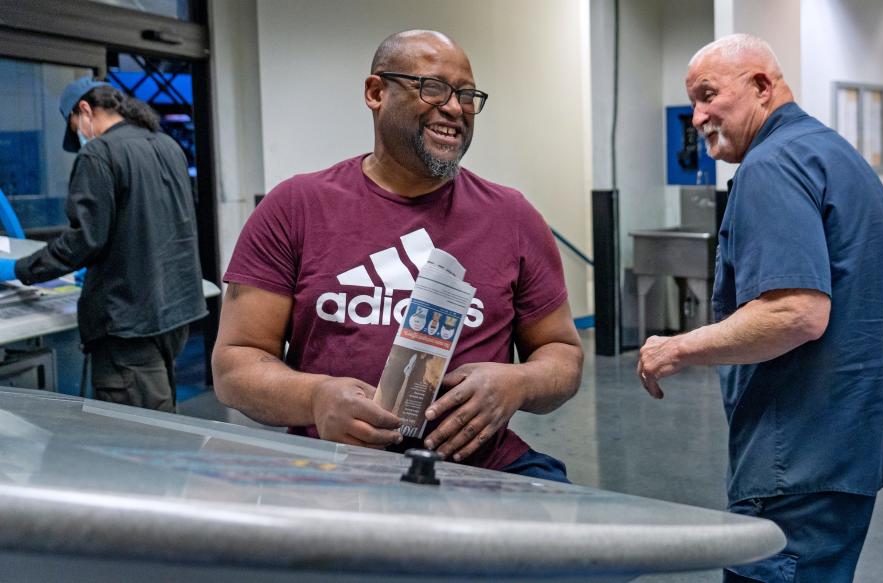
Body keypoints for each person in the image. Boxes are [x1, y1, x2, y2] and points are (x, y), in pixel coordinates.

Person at [213, 30, 583, 482]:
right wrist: (316, 398)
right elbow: (235, 364)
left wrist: (519, 383)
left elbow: (562, 353)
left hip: (480, 470)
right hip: (333, 469)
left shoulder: (513, 217)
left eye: (467, 95)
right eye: (433, 88)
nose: (454, 108)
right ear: (376, 93)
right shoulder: (296, 207)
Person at [636, 34, 883, 582]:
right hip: (850, 441)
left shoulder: (772, 165)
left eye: (708, 94)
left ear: (762, 86)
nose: (696, 117)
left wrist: (675, 347)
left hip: (799, 457)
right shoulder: (834, 154)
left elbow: (795, 312)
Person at [0, 77, 207, 412]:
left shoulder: (100, 154)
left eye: (74, 126)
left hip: (128, 321)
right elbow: (146, 226)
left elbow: (84, 239)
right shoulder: (166, 145)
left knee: (135, 434)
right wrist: (100, 269)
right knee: (162, 416)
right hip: (174, 311)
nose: (80, 135)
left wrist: (18, 268)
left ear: (85, 110)